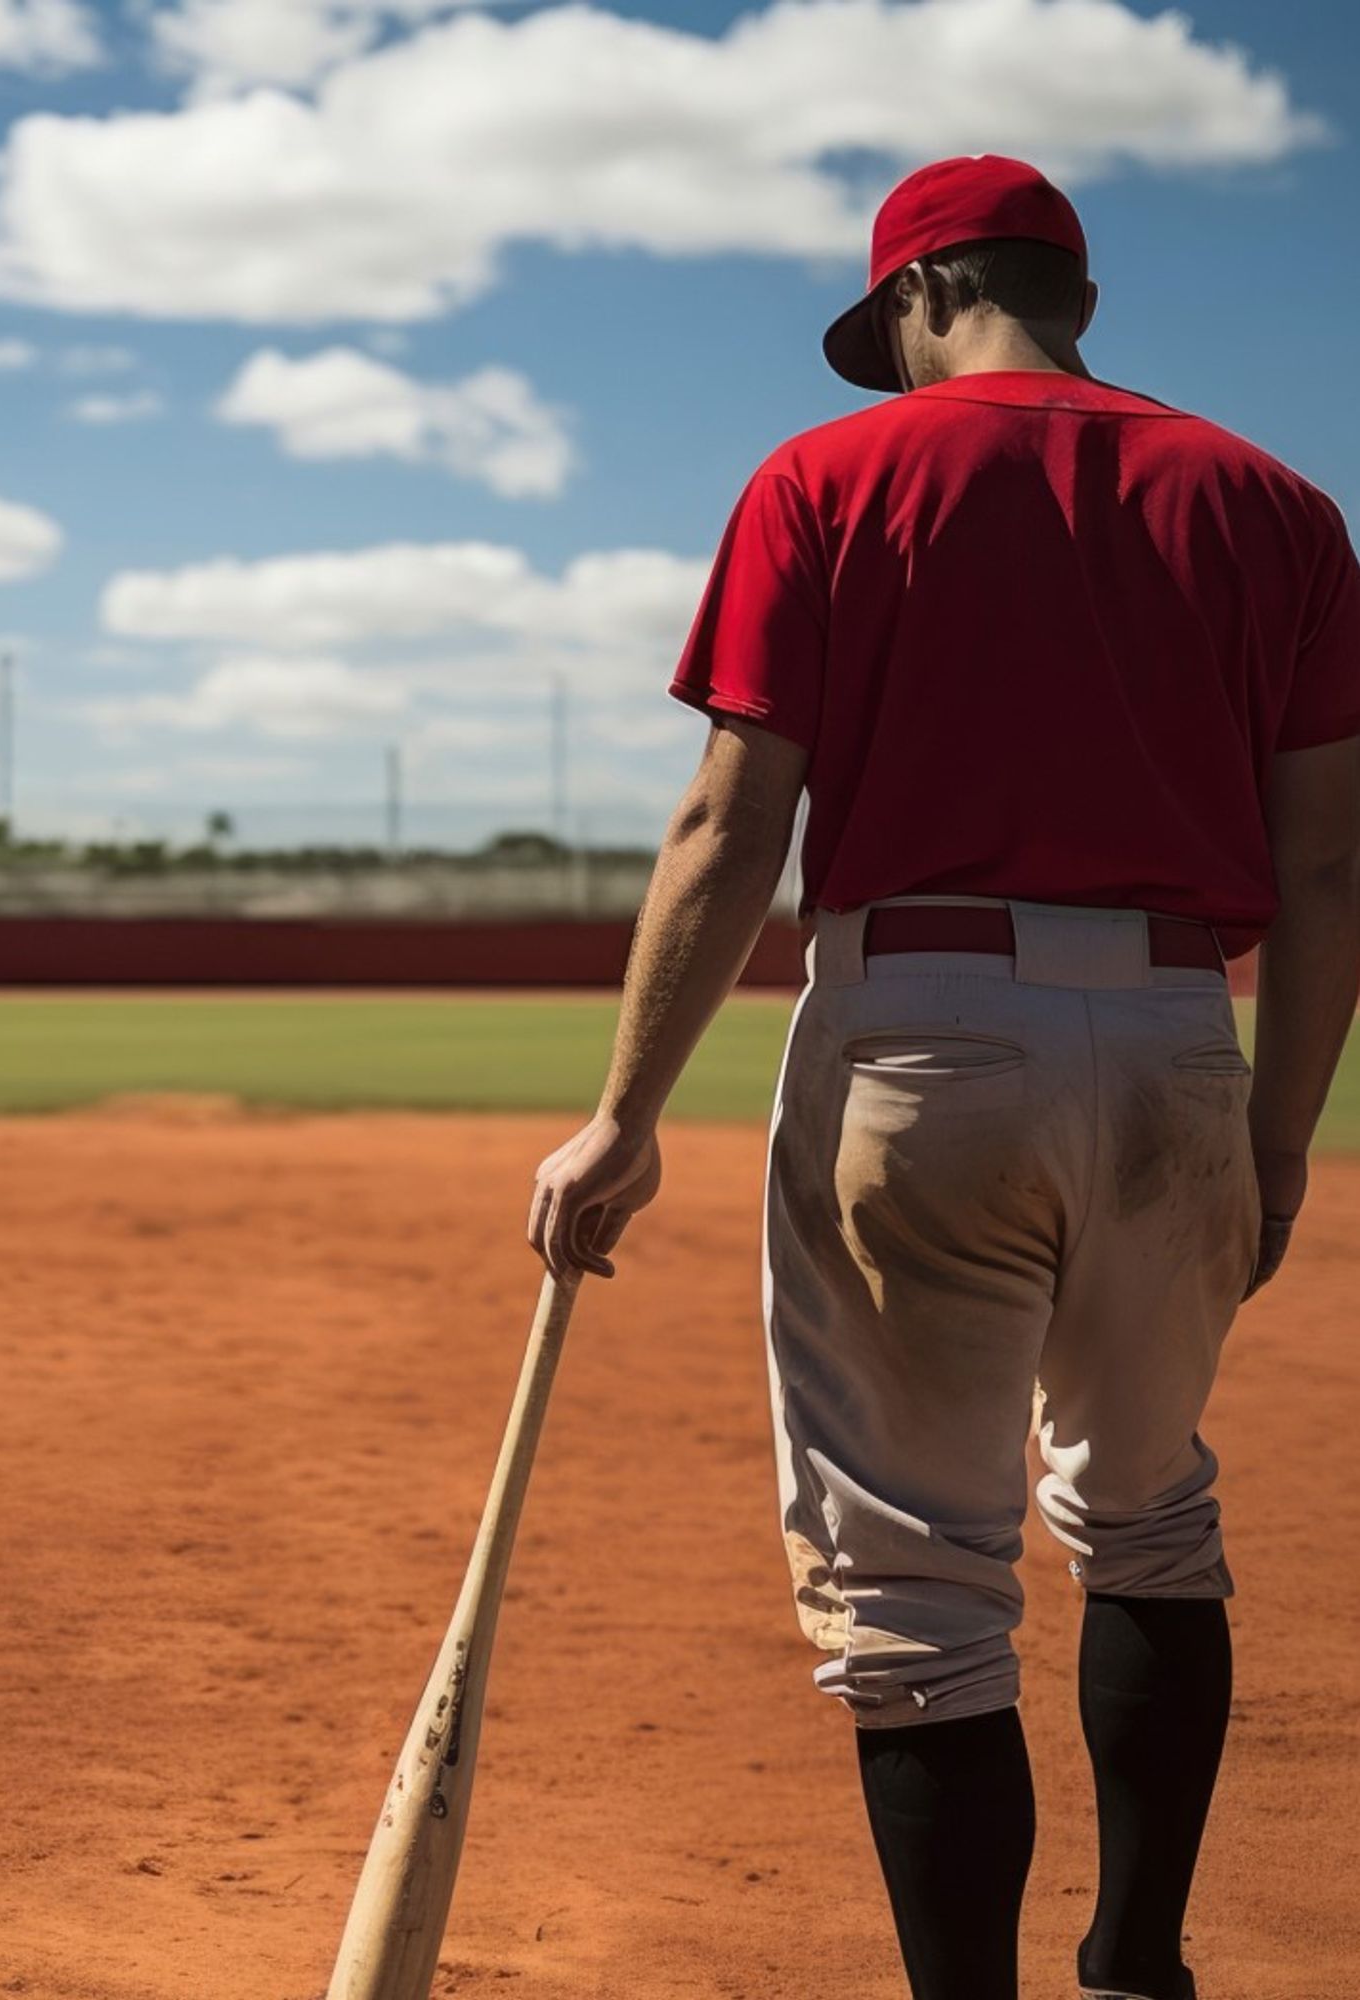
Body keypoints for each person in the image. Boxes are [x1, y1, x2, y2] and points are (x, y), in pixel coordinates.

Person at [526, 154, 1360, 2000]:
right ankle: (1140, 1971)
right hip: (1171, 1054)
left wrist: (626, 1116)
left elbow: (732, 823)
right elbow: (1324, 871)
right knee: (1149, 1513)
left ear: (923, 293)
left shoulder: (826, 479)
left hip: (918, 1036)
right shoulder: (1279, 504)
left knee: (916, 1594)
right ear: (1072, 295)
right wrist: (1279, 1142)